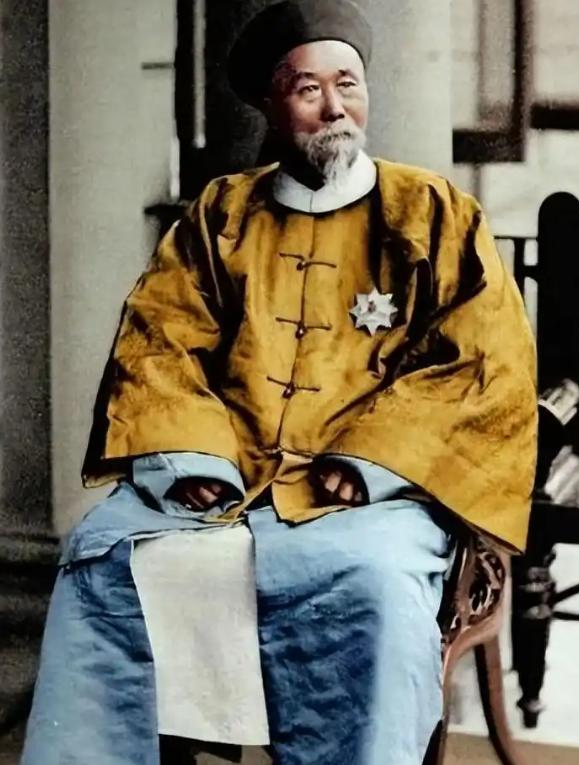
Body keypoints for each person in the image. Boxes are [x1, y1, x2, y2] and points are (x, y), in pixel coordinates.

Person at [21, 1, 537, 764]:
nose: (334, 107)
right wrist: (193, 457)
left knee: (369, 581)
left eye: (348, 84)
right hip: (230, 473)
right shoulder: (220, 214)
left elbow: (481, 362)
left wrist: (370, 462)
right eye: (307, 89)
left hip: (378, 492)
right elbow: (160, 343)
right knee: (104, 557)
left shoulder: (432, 212)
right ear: (269, 103)